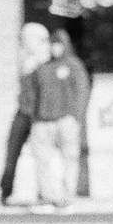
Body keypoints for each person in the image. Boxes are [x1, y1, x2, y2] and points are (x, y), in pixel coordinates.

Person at [26, 26, 91, 207]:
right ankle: (47, 197)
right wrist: (34, 117)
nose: (55, 49)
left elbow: (82, 91)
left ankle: (68, 196)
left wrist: (75, 116)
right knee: (42, 161)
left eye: (58, 45)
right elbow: (31, 94)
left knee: (69, 159)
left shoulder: (73, 65)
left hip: (66, 121)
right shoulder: (41, 67)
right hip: (43, 121)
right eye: (52, 45)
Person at [0, 22, 53, 204]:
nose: (23, 41)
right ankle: (5, 192)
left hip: (40, 114)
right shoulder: (23, 57)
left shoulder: (48, 59)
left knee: (43, 155)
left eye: (26, 38)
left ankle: (45, 194)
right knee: (12, 151)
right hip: (23, 111)